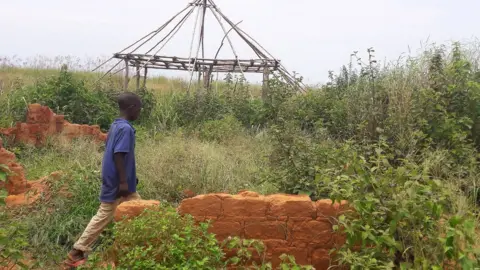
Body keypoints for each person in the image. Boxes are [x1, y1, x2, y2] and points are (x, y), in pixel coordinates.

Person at [64, 92, 143, 267]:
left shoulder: (116, 126)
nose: (139, 113)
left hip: (118, 180)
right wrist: (123, 182)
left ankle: (135, 249)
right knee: (110, 214)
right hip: (118, 183)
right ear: (131, 108)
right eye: (139, 109)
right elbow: (119, 155)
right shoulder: (126, 129)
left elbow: (119, 154)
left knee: (138, 211)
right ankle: (77, 251)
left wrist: (130, 178)